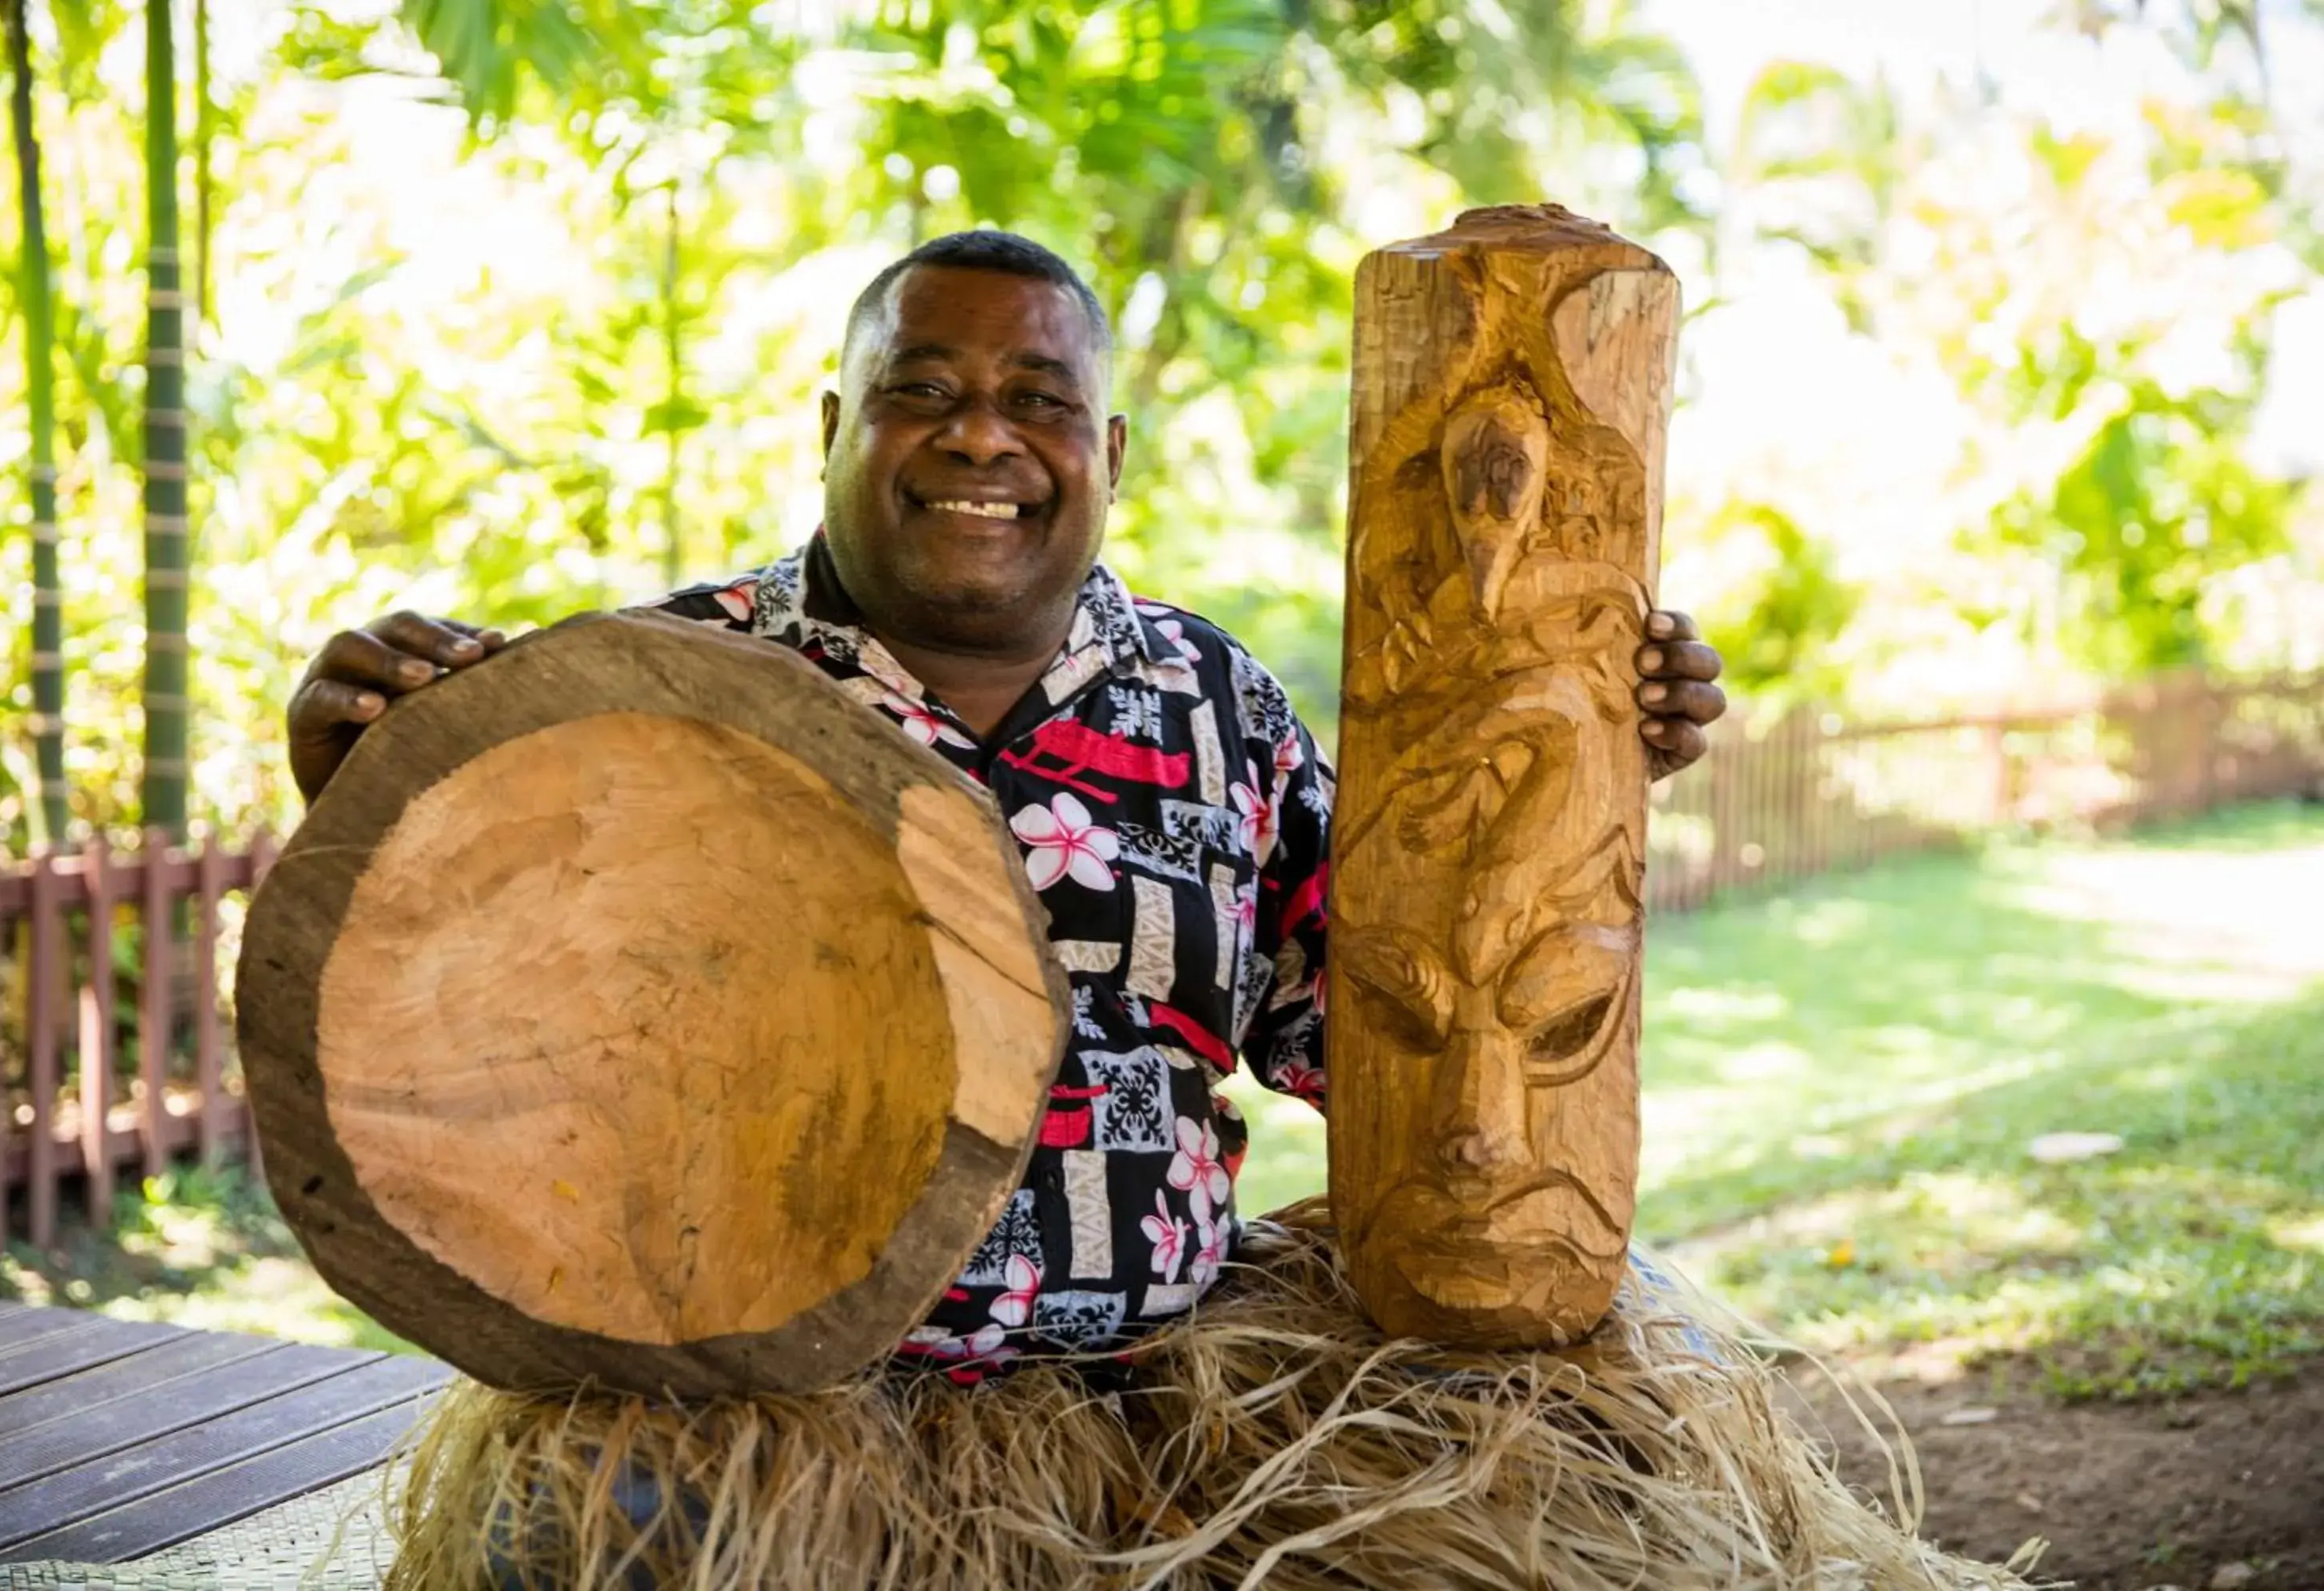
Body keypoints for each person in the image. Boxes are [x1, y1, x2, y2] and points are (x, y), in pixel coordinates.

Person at [284, 231, 1727, 1377]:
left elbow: (1386, 1035)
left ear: (1110, 454)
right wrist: (361, 789)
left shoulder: (1218, 705)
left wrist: (1571, 760)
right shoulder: (660, 689)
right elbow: (488, 1036)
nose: (984, 438)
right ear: (838, 424)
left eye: (1040, 401)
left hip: (1162, 1410)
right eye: (927, 393)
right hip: (754, 1417)